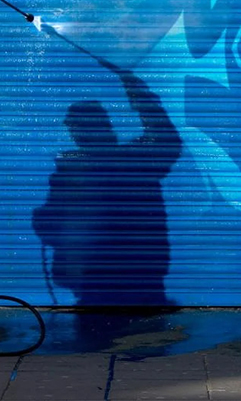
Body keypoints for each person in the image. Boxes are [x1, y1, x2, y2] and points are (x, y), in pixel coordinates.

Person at [33, 69, 181, 308]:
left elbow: (51, 228)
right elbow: (166, 140)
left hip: (107, 281)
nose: (75, 134)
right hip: (128, 278)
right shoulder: (134, 159)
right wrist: (142, 97)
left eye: (77, 127)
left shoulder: (82, 168)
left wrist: (41, 220)